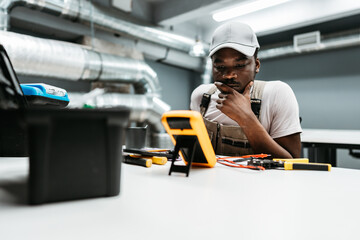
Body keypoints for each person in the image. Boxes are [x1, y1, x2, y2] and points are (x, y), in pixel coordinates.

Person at [190, 21, 302, 158]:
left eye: (240, 65)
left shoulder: (277, 94)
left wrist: (245, 118)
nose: (229, 75)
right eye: (220, 67)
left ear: (257, 65)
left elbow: (293, 163)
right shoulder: (201, 97)